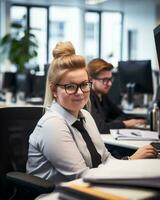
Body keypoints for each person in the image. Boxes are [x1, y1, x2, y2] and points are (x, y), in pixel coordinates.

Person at [26, 42, 158, 185]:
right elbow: (82, 175)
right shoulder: (52, 125)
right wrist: (130, 161)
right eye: (70, 87)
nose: (80, 93)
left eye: (84, 84)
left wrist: (129, 163)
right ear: (54, 91)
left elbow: (106, 159)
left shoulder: (85, 116)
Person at [87, 58, 146, 134]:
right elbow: (101, 127)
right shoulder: (88, 97)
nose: (109, 84)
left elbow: (121, 114)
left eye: (110, 79)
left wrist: (111, 123)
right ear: (91, 80)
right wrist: (126, 123)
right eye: (105, 80)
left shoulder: (103, 95)